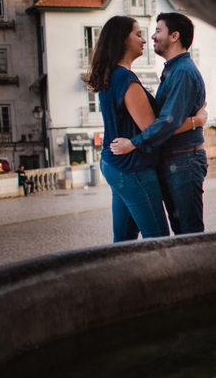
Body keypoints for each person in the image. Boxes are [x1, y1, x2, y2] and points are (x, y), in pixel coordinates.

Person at [85, 15, 205, 242]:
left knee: (124, 239)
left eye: (152, 31)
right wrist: (195, 121)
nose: (145, 39)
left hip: (116, 163)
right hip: (133, 166)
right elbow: (155, 126)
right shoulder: (126, 79)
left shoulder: (112, 76)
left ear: (175, 36)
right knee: (158, 238)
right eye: (138, 34)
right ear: (122, 40)